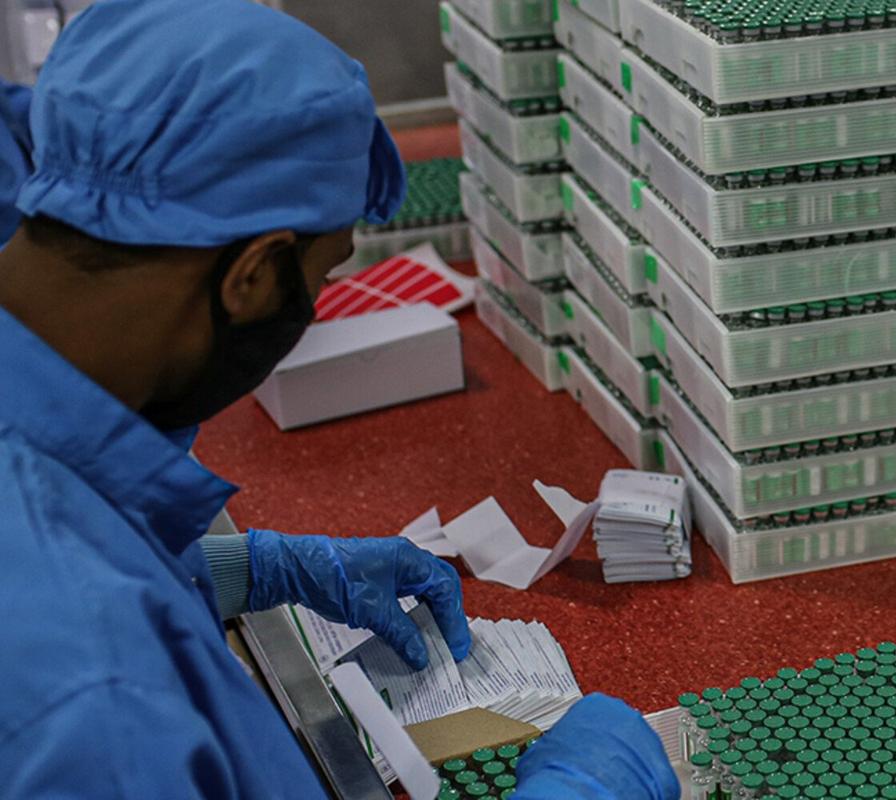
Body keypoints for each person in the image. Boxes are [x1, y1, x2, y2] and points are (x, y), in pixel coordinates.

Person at [0, 2, 677, 798]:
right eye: (323, 276)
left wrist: (240, 570)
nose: (314, 304)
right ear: (252, 276)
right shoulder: (99, 702)